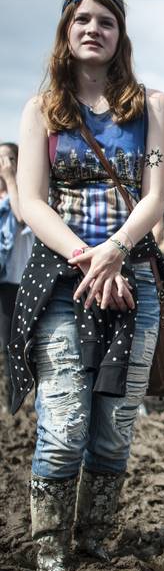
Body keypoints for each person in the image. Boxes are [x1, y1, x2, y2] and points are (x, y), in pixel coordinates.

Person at [13, 0, 164, 571]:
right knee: (64, 424)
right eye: (81, 19)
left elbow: (154, 197)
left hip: (136, 278)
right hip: (63, 280)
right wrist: (89, 256)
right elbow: (30, 201)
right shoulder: (41, 110)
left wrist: (116, 251)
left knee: (113, 427)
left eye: (105, 21)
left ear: (119, 35)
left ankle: (99, 538)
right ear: (65, 32)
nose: (93, 29)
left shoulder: (153, 106)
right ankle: (50, 547)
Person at [0, 143, 34, 410]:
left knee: (25, 342)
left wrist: (12, 179)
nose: (5, 164)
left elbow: (22, 217)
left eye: (10, 158)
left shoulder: (25, 194)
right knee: (6, 344)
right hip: (4, 282)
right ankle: (12, 396)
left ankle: (26, 394)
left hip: (24, 281)